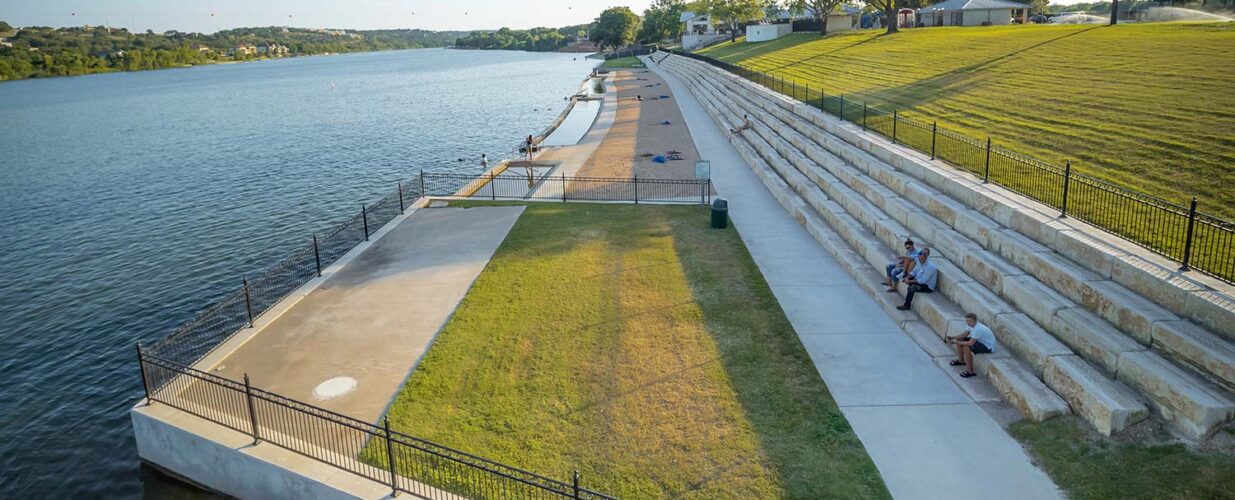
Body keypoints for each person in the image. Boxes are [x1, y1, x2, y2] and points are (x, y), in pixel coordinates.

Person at [946, 313, 997, 378]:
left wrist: (955, 342)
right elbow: (964, 334)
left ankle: (970, 372)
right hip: (979, 341)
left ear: (975, 321)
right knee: (959, 339)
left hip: (988, 346)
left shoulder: (978, 329)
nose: (968, 322)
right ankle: (961, 361)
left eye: (970, 321)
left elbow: (970, 343)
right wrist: (953, 337)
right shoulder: (969, 325)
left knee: (966, 348)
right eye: (967, 320)